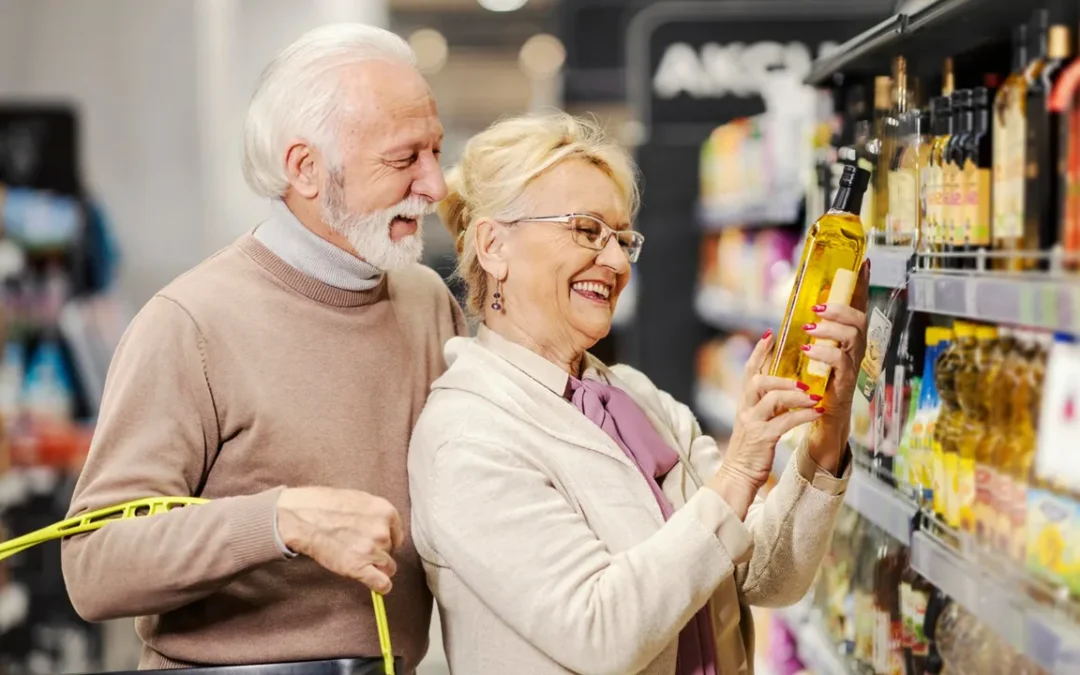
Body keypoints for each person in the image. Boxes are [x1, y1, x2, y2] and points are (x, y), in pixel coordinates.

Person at [61, 24, 465, 672]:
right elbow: (94, 563)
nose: (434, 185)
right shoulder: (189, 324)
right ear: (305, 168)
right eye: (403, 158)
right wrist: (277, 521)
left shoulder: (426, 305)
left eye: (435, 152)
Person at [408, 113, 868, 675]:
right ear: (493, 245)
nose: (617, 261)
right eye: (586, 230)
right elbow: (601, 634)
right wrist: (741, 466)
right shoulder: (468, 435)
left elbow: (767, 576)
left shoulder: (635, 398)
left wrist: (829, 428)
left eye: (623, 238)